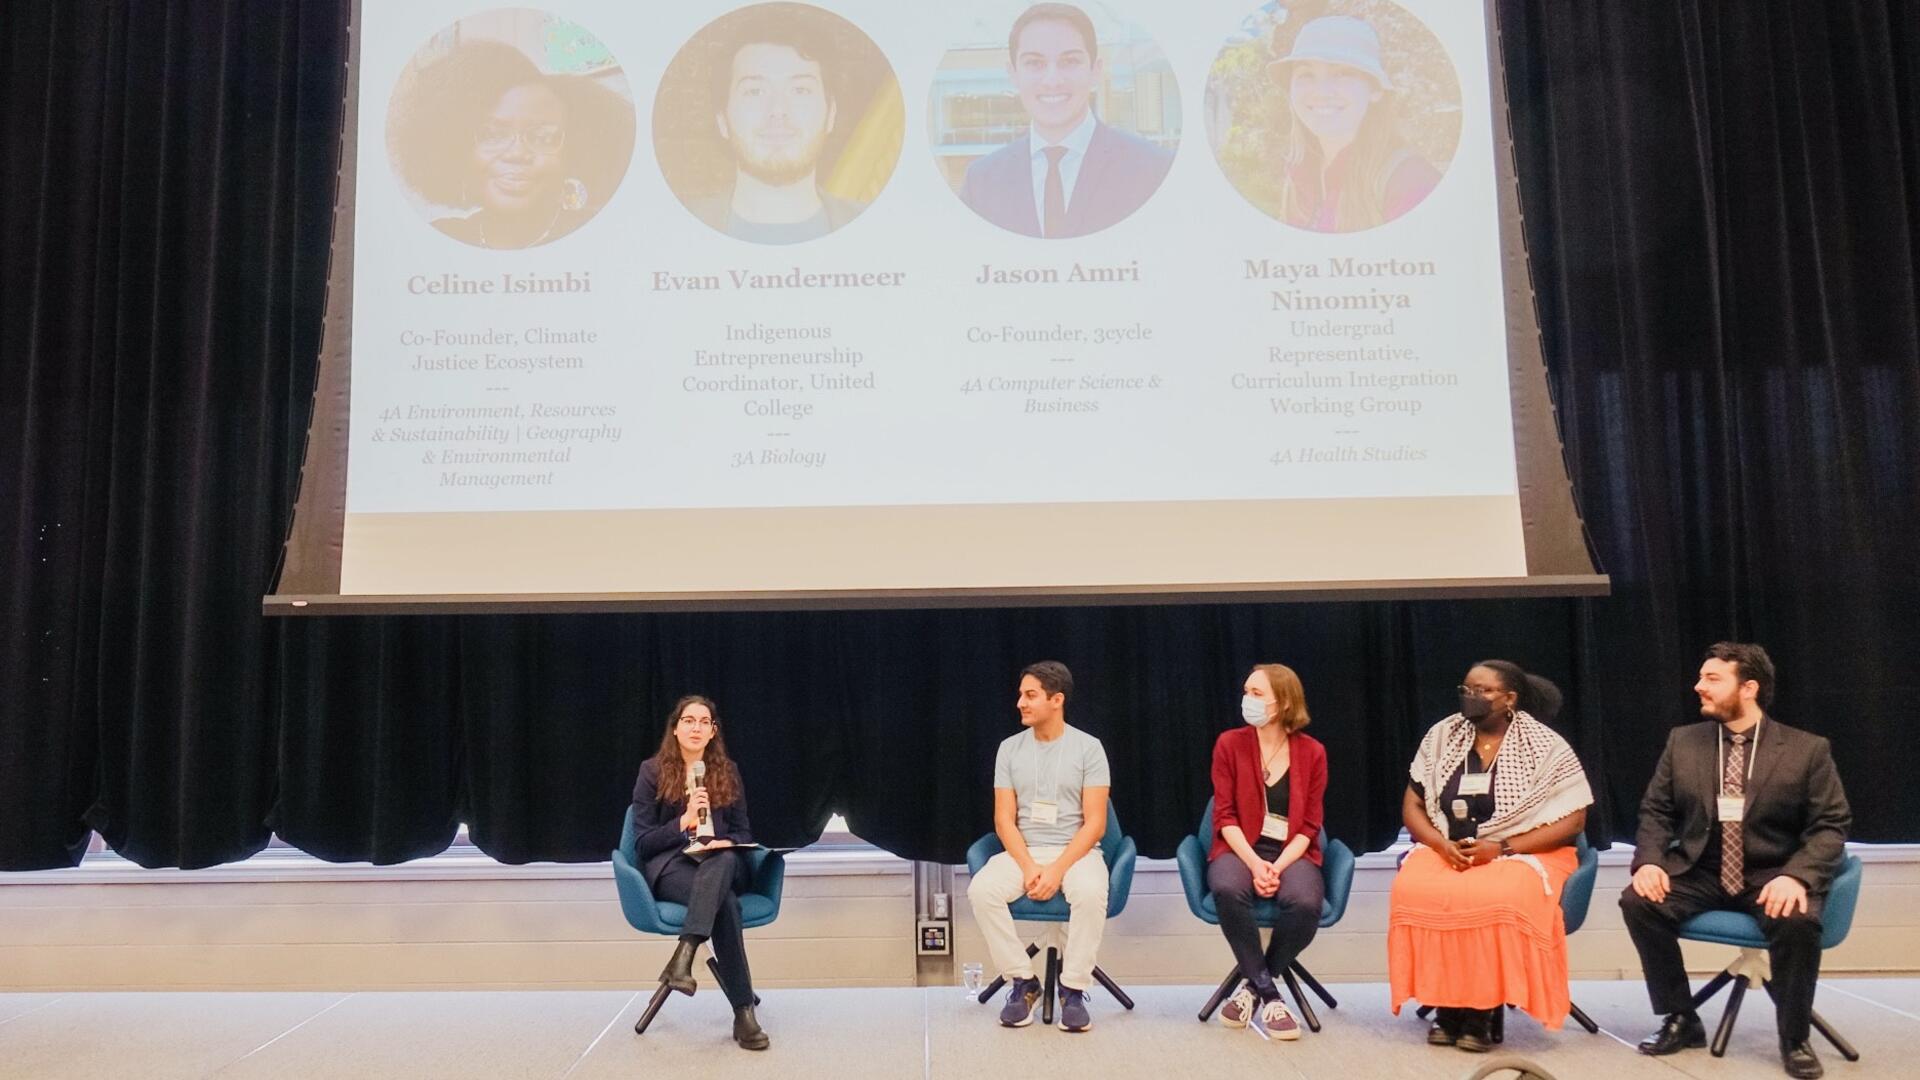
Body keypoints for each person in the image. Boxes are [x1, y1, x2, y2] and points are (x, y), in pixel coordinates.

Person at [1620, 643, 1850, 1079]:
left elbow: (1830, 825)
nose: (1698, 687)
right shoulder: (1683, 741)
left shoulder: (1807, 750)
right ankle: (1681, 1017)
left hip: (1771, 874)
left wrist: (1797, 878)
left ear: (1749, 688)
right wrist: (1649, 861)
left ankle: (1794, 1037)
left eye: (1712, 679)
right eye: (1700, 677)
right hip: (1699, 869)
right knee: (1638, 901)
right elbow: (1656, 811)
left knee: (1796, 920)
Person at [1388, 661, 1593, 1052]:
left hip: (1522, 850)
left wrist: (1500, 848)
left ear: (1509, 699)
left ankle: (1480, 1014)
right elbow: (1412, 805)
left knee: (1495, 898)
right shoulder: (1442, 735)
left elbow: (1574, 820)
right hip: (1451, 846)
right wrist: (1438, 844)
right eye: (1465, 689)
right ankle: (1447, 1009)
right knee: (1414, 888)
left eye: (1482, 691)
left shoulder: (1544, 744)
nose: (1470, 697)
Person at [967, 661, 1112, 1033]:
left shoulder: (1089, 748)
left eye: (1030, 695)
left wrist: (1058, 869)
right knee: (981, 891)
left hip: (1076, 852)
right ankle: (1022, 981)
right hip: (1024, 851)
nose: (1020, 703)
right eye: (1021, 695)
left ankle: (1074, 988)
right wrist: (1030, 867)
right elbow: (1004, 820)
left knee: (1091, 890)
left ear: (1057, 700)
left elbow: (1095, 823)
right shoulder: (1009, 749)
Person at [387, 40, 634, 249]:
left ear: (575, 151)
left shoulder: (601, 239)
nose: (517, 153)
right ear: (457, 148)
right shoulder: (440, 239)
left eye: (543, 137)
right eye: (492, 134)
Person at [958, 3, 1173, 238]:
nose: (1052, 80)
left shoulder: (1154, 169)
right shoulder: (981, 183)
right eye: (1034, 63)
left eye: (1070, 61)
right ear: (1013, 73)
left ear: (1095, 70)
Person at [629, 695, 769, 1050]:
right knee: (727, 907)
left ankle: (684, 955)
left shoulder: (727, 772)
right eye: (688, 720)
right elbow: (643, 843)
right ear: (675, 729)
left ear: (713, 732)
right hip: (674, 866)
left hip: (721, 862)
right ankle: (743, 1014)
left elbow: (743, 832)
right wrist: (684, 822)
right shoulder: (652, 771)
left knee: (720, 862)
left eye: (704, 722)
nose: (696, 727)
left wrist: (721, 843)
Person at [1205, 663, 1328, 1039]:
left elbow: (1310, 825)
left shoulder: (1313, 752)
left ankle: (1253, 987)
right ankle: (1272, 996)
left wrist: (1277, 865)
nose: (1247, 700)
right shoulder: (1230, 743)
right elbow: (1223, 816)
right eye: (1246, 691)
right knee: (1227, 888)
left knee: (1306, 902)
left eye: (1257, 694)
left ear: (1283, 702)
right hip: (1239, 847)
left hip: (1292, 851)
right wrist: (1257, 864)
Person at [693, 19, 868, 243]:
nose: (777, 110)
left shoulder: (885, 230)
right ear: (722, 121)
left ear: (831, 114)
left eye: (800, 90)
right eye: (755, 91)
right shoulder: (670, 231)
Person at [1266, 15, 1440, 232]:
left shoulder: (1410, 182)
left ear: (1375, 89)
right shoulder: (1299, 172)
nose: (1322, 91)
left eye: (1343, 73)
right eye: (1306, 74)